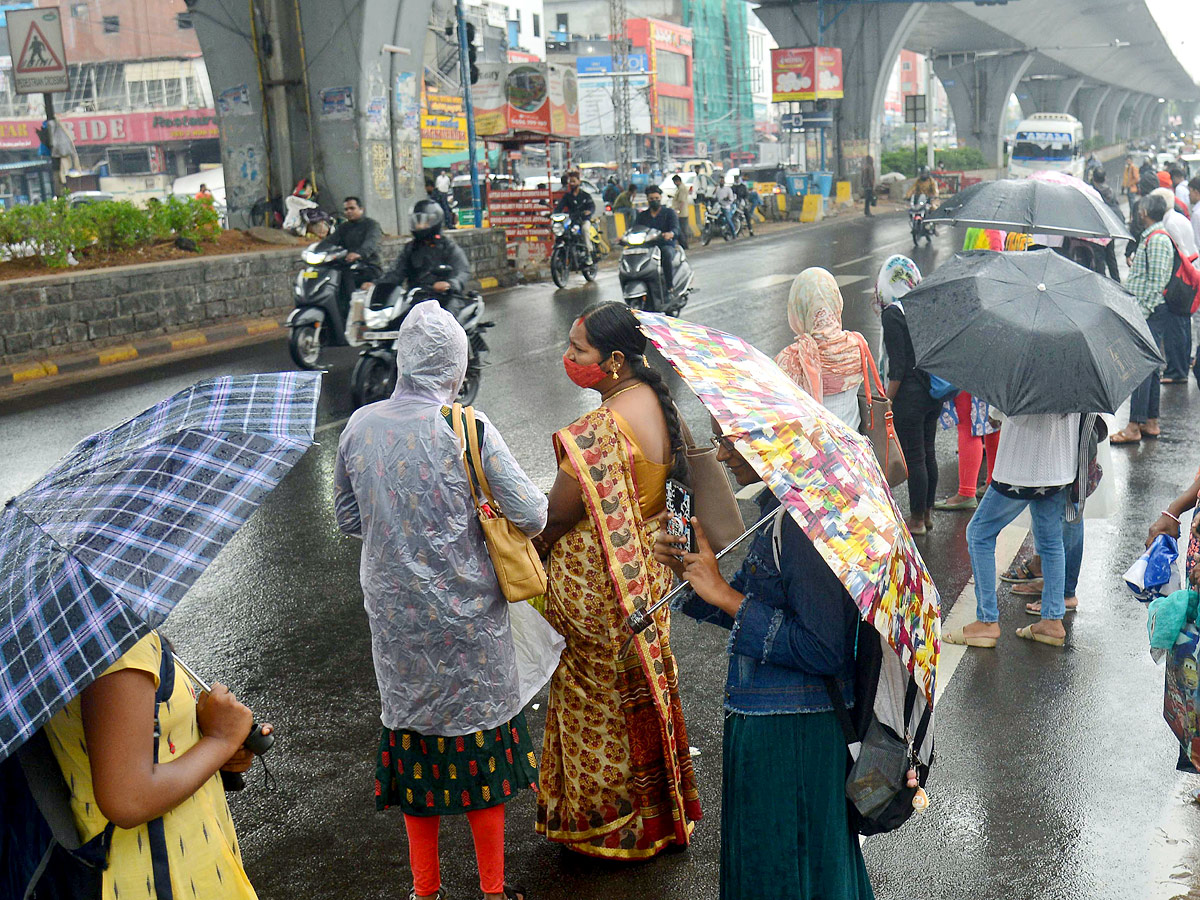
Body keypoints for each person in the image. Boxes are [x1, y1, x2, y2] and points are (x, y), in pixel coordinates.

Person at [334, 301, 545, 900]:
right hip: (470, 623)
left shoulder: (359, 427)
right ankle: (494, 890)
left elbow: (348, 516)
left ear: (402, 359)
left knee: (416, 750)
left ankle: (425, 890)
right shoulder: (468, 428)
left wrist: (397, 524)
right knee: (481, 757)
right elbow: (532, 513)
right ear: (454, 364)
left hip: (397, 623)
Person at [652, 424, 881, 900]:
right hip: (769, 724)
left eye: (730, 440)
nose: (721, 453)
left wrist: (724, 594)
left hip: (794, 736)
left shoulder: (801, 525)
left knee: (786, 866)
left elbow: (823, 647)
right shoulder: (778, 511)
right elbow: (756, 608)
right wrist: (694, 577)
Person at [533, 301, 702, 859]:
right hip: (646, 579)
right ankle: (658, 817)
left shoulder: (603, 427)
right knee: (641, 696)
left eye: (579, 350)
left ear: (613, 360)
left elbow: (557, 515)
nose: (569, 358)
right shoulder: (655, 400)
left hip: (598, 592)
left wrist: (524, 547)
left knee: (594, 706)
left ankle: (607, 829)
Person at [41, 630, 268, 899]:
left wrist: (211, 744)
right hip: (164, 875)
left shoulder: (66, 631)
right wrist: (221, 740)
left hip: (178, 861)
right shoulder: (115, 641)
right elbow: (129, 797)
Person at [945, 411, 1083, 649]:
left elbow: (1012, 408)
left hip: (1022, 463)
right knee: (1051, 541)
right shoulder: (1079, 373)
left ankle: (987, 621)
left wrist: (994, 413)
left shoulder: (1026, 371)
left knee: (979, 533)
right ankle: (1052, 619)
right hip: (1060, 464)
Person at [879, 257, 941, 535]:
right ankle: (926, 514)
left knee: (915, 457)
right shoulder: (922, 307)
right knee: (928, 452)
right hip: (932, 392)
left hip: (910, 397)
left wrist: (887, 400)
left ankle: (915, 519)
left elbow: (898, 366)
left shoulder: (893, 313)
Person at [1112, 193, 1176, 445]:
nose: (1138, 212)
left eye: (1141, 208)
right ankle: (1150, 422)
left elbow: (1158, 282)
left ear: (1147, 211)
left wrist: (1142, 312)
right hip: (1149, 311)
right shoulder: (1151, 236)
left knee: (1140, 368)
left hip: (1150, 313)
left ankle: (1133, 426)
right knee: (1149, 368)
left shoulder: (1158, 239)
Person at [774, 267, 866, 430]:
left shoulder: (789, 360)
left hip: (814, 451)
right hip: (855, 446)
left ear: (797, 307)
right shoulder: (857, 345)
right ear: (836, 300)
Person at [371, 199, 470, 297]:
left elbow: (462, 271)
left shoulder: (448, 246)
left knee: (449, 310)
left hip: (446, 296)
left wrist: (450, 284)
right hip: (417, 296)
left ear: (435, 221)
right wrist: (377, 284)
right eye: (416, 221)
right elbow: (397, 272)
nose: (418, 225)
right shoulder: (411, 248)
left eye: (423, 221)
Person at [633, 184, 681, 295]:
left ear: (660, 198)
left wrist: (671, 234)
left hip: (665, 245)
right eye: (651, 199)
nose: (654, 201)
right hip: (648, 247)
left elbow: (676, 229)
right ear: (647, 199)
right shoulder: (642, 216)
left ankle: (670, 287)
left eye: (656, 198)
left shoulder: (669, 213)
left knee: (667, 255)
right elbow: (635, 229)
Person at [332, 196, 383, 285]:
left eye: (352, 208)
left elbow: (371, 242)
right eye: (346, 209)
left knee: (346, 276)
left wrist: (359, 253)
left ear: (361, 209)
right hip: (347, 264)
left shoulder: (372, 225)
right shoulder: (343, 227)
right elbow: (331, 241)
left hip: (369, 265)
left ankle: (351, 299)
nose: (349, 211)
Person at [554, 168, 596, 262]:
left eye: (574, 181)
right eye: (570, 181)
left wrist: (589, 211)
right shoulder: (567, 196)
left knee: (585, 229)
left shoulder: (585, 195)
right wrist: (553, 213)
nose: (572, 183)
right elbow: (559, 207)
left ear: (579, 182)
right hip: (572, 220)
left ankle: (589, 254)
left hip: (583, 220)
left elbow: (592, 206)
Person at [1090, 169, 1123, 281]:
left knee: (1099, 259)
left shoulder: (1092, 192)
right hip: (1109, 228)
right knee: (1111, 257)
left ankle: (1102, 283)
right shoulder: (1111, 192)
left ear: (1094, 179)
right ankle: (1117, 282)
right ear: (1105, 178)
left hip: (1097, 229)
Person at [670, 173, 692, 248]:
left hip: (681, 213)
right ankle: (683, 244)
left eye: (674, 182)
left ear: (677, 181)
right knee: (681, 229)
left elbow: (682, 201)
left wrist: (678, 211)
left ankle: (684, 245)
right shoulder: (680, 188)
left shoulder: (682, 188)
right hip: (681, 212)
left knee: (682, 230)